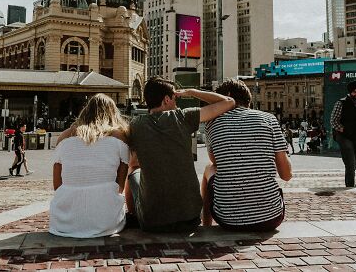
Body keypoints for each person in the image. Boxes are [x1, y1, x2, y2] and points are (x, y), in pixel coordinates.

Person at [125, 77, 235, 233]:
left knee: (133, 168)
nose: (176, 103)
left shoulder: (136, 125)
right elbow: (229, 102)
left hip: (152, 222)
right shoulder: (183, 117)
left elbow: (132, 160)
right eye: (175, 98)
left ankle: (133, 216)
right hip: (190, 218)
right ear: (166, 99)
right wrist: (192, 92)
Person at [202, 79, 292, 231]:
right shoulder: (269, 119)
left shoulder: (212, 123)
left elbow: (215, 161)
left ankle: (206, 225)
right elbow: (286, 175)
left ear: (227, 98)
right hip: (271, 218)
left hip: (227, 219)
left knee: (208, 168)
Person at [50, 93, 130, 238]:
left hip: (64, 221)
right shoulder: (119, 137)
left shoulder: (64, 137)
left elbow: (57, 185)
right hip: (105, 221)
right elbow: (120, 187)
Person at [330, 80, 356, 188]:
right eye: (354, 92)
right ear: (350, 92)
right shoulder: (341, 102)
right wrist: (344, 129)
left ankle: (350, 175)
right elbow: (333, 120)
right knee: (349, 156)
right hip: (343, 135)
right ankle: (350, 184)